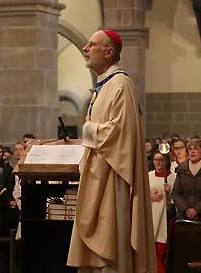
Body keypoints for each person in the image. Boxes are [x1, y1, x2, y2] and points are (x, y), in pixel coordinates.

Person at [67, 29, 156, 273]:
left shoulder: (121, 85)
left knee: (111, 239)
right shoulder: (104, 86)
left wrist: (88, 128)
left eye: (91, 44)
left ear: (108, 53)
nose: (85, 48)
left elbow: (119, 132)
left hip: (113, 177)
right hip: (99, 174)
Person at [171, 139, 201, 222]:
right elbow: (175, 193)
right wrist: (186, 209)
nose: (192, 151)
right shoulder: (182, 169)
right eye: (190, 149)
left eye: (196, 148)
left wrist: (197, 210)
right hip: (184, 216)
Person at [148, 152, 175, 273]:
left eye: (161, 160)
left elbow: (176, 197)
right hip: (151, 215)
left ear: (166, 161)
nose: (158, 162)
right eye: (155, 159)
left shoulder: (172, 177)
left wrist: (169, 192)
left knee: (162, 249)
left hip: (165, 216)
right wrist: (150, 197)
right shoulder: (148, 176)